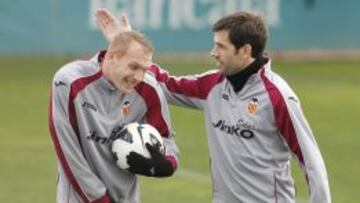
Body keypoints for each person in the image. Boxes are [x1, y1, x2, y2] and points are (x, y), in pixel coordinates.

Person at [97, 8, 331, 203]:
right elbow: (164, 84)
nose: (213, 53)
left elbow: (311, 161)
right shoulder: (213, 85)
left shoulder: (277, 97)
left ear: (245, 50)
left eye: (221, 46)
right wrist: (127, 47)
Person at [49, 30, 180, 203]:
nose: (139, 77)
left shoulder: (150, 90)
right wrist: (99, 199)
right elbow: (68, 152)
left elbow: (165, 137)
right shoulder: (70, 81)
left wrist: (168, 163)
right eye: (133, 67)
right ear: (111, 56)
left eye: (144, 69)